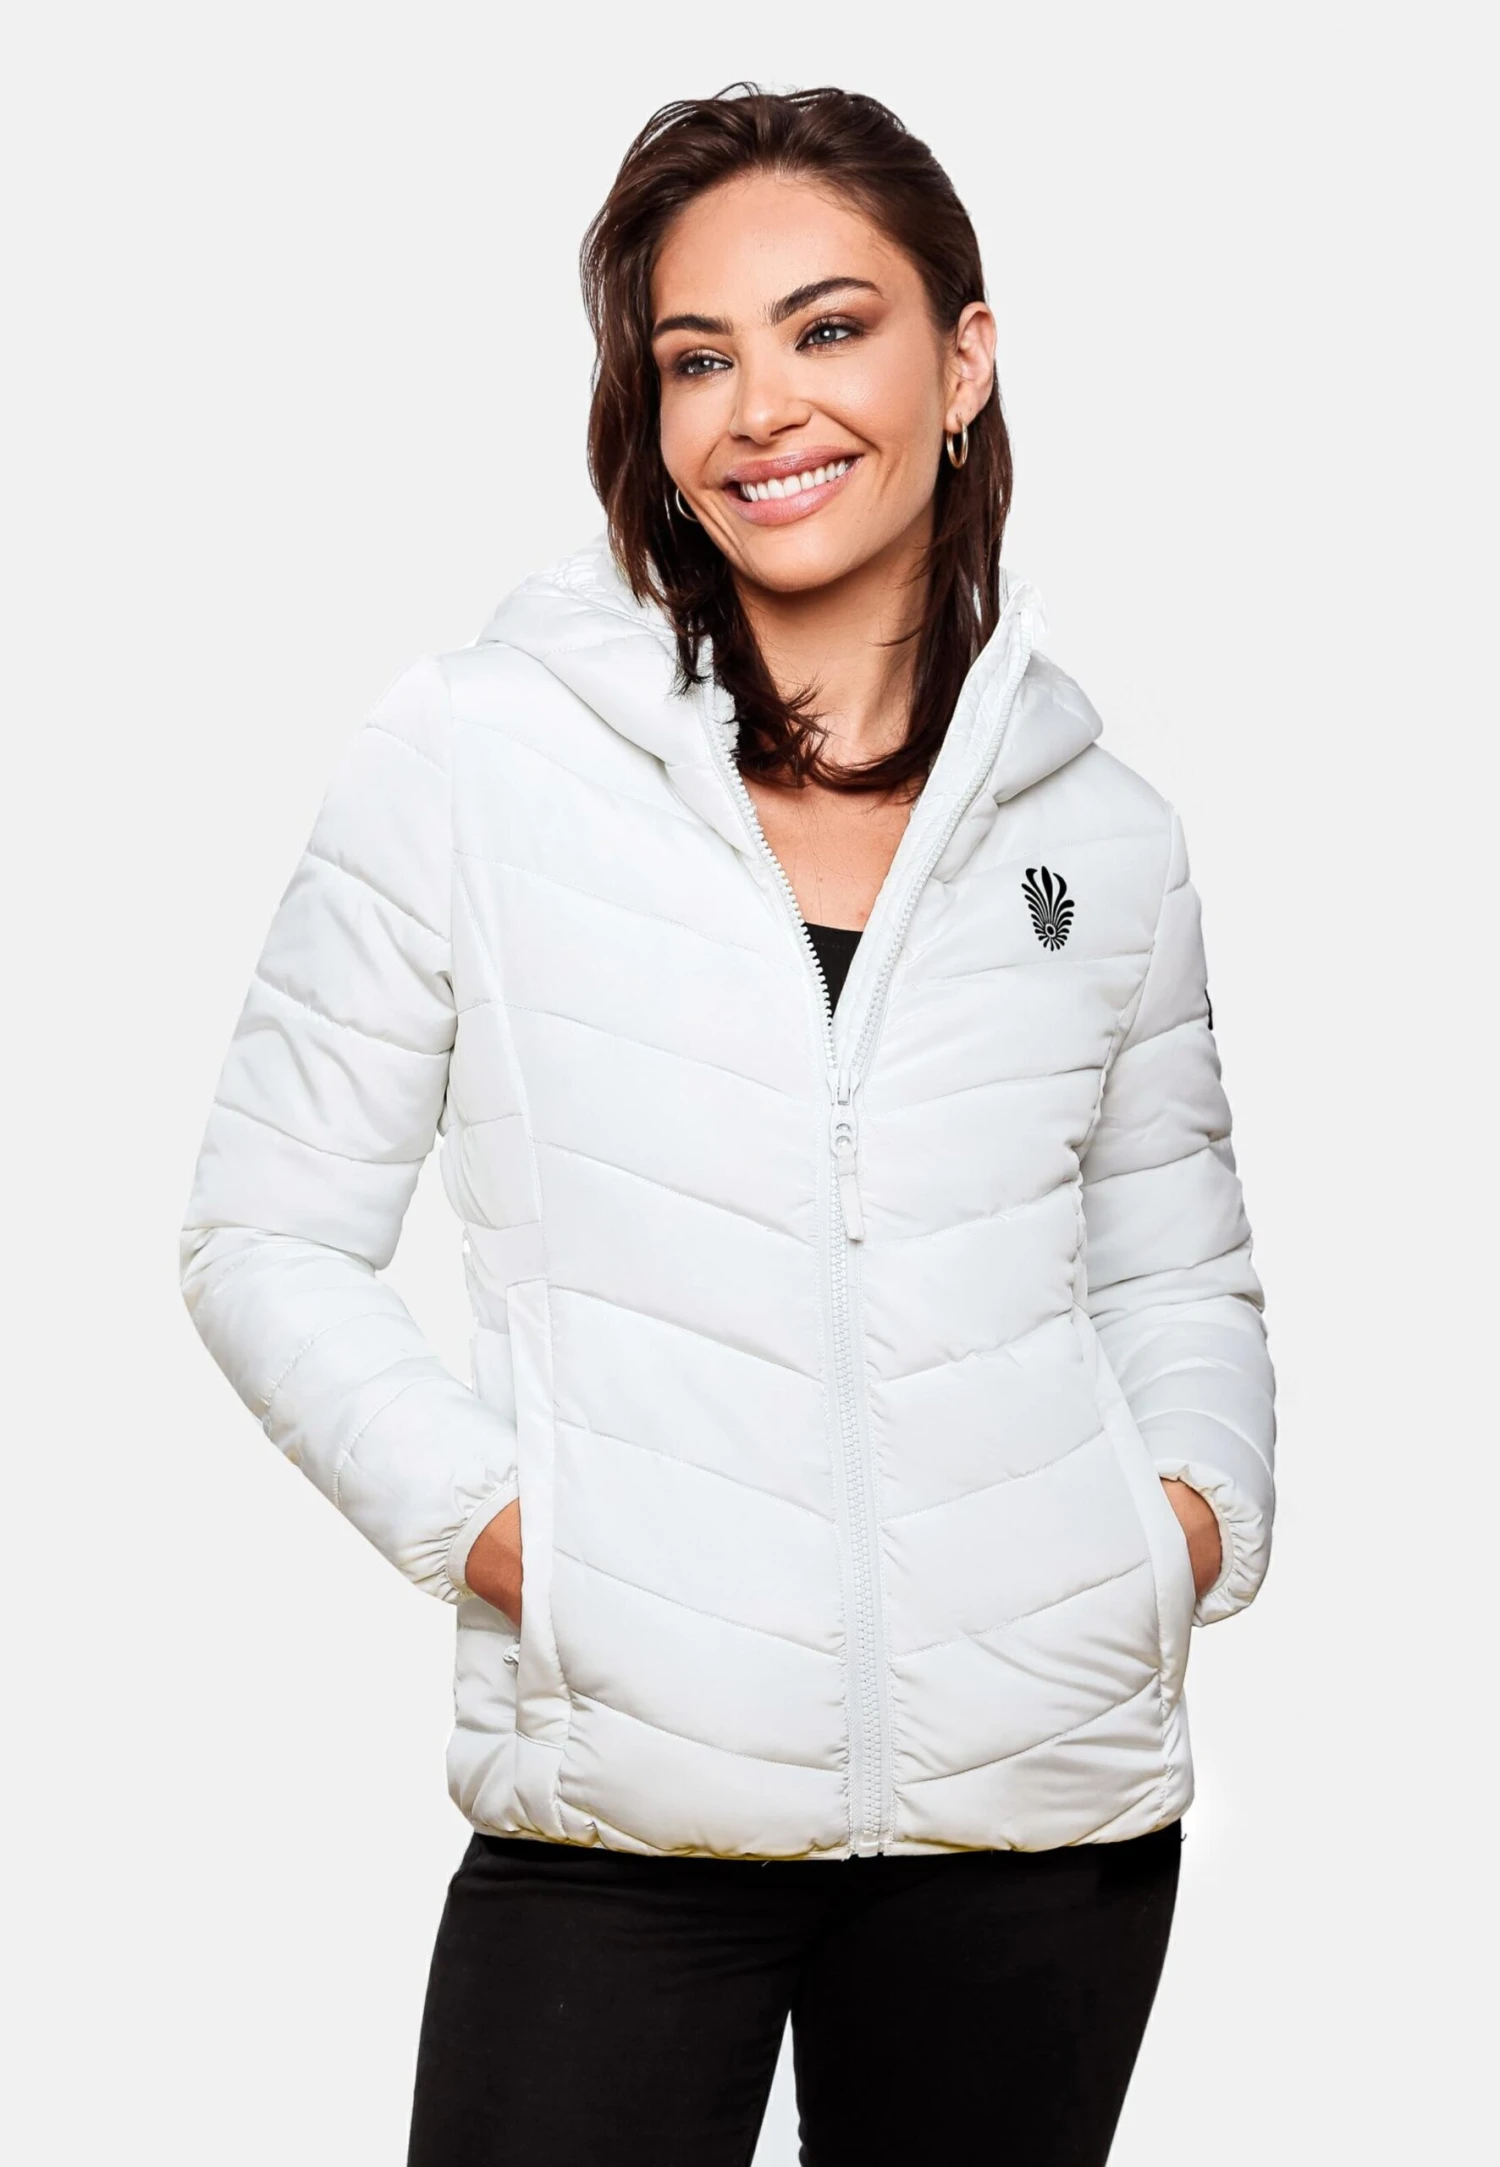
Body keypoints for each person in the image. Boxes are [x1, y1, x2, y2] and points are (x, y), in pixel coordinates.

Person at [180, 83, 1277, 2167]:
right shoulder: (477, 759)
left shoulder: (1104, 834)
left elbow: (1176, 1258)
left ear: (963, 359)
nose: (762, 407)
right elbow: (264, 1236)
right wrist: (530, 1550)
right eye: (698, 357)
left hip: (1039, 1812)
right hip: (625, 1805)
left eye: (829, 328)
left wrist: (1172, 1534)